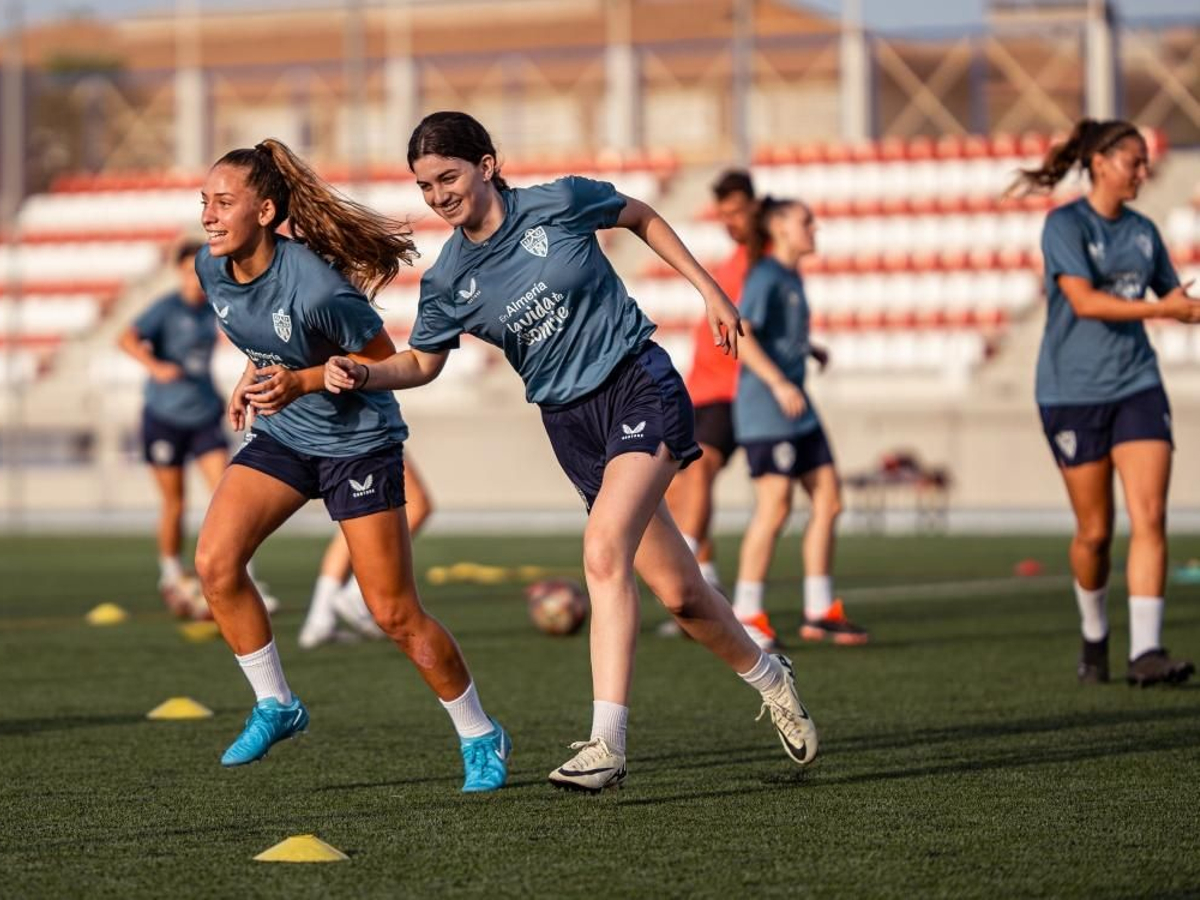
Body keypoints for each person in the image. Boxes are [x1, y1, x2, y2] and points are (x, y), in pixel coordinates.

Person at [326, 111, 819, 792]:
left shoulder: (557, 202)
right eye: (424, 185)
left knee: (602, 550)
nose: (438, 195)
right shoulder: (448, 281)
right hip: (570, 426)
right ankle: (771, 677)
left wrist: (710, 291)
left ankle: (606, 745)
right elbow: (421, 363)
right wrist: (365, 373)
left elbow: (640, 214)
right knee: (682, 596)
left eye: (448, 176)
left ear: (487, 166)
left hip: (637, 384)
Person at [192, 138, 512, 792]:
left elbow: (381, 363)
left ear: (266, 210)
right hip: (288, 435)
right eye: (205, 202)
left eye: (224, 202)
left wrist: (303, 383)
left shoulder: (314, 283)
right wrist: (252, 376)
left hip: (359, 441)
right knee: (214, 564)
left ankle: (481, 732)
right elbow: (267, 340)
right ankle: (277, 705)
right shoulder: (210, 268)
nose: (209, 215)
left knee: (393, 612)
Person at [1012, 118, 1198, 686]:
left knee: (1150, 516)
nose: (1143, 172)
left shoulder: (1144, 232)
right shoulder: (1064, 224)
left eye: (1146, 163)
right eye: (1133, 162)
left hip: (1136, 383)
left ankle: (1147, 652)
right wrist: (1167, 312)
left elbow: (1171, 296)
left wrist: (1183, 304)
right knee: (1095, 532)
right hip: (1071, 393)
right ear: (1099, 163)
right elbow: (1086, 302)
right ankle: (1095, 635)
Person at [727, 197, 869, 650]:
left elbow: (778, 334)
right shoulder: (766, 275)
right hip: (769, 407)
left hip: (797, 407)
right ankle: (747, 614)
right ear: (782, 227)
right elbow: (742, 334)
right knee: (776, 506)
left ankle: (820, 611)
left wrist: (809, 350)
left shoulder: (790, 276)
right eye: (807, 221)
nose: (815, 227)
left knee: (828, 501)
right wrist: (778, 383)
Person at [117, 241, 276, 614]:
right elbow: (125, 337)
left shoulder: (212, 307)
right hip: (165, 417)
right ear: (177, 272)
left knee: (227, 495)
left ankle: (242, 575)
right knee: (176, 501)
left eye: (198, 271)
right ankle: (171, 575)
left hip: (204, 414)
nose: (194, 279)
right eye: (187, 271)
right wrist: (156, 368)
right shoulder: (166, 309)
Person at [659, 169, 758, 638]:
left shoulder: (762, 261)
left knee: (699, 472)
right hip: (696, 391)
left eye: (737, 212)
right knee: (675, 492)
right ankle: (710, 587)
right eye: (724, 214)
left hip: (733, 392)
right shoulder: (734, 260)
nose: (730, 222)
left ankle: (690, 585)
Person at [299, 460, 432, 648]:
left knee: (357, 518)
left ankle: (321, 617)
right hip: (359, 434)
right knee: (416, 505)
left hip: (340, 435)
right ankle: (353, 596)